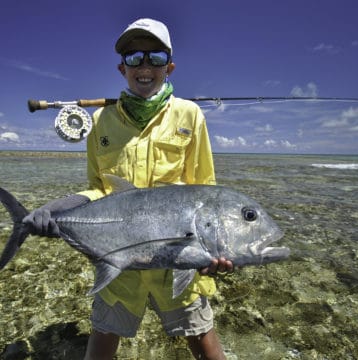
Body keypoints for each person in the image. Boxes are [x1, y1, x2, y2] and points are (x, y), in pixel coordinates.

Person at [24, 18, 234, 360]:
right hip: (119, 260)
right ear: (122, 68)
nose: (145, 66)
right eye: (135, 57)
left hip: (177, 261)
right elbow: (99, 189)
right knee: (103, 342)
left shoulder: (190, 115)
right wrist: (56, 211)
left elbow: (205, 194)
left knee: (204, 341)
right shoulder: (100, 121)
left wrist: (214, 248)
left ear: (170, 66)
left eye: (156, 57)